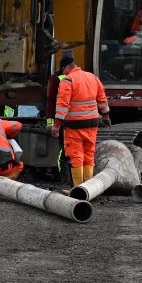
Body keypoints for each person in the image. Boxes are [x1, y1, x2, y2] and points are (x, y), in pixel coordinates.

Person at [50, 49, 111, 189]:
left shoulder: (67, 80)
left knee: (76, 156)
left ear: (66, 67)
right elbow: (102, 99)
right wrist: (106, 117)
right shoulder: (93, 77)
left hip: (74, 125)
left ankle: (78, 189)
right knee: (89, 154)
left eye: (62, 70)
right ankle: (89, 188)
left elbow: (62, 106)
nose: (62, 73)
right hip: (92, 123)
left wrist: (56, 126)